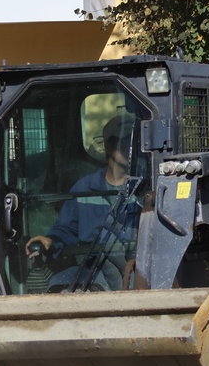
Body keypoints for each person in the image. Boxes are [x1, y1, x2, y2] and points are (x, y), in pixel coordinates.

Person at [25, 114, 141, 290]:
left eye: (134, 142)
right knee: (56, 286)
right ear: (108, 146)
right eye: (123, 142)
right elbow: (68, 228)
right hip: (94, 270)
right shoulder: (85, 188)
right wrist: (50, 239)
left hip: (138, 268)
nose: (129, 148)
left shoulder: (146, 188)